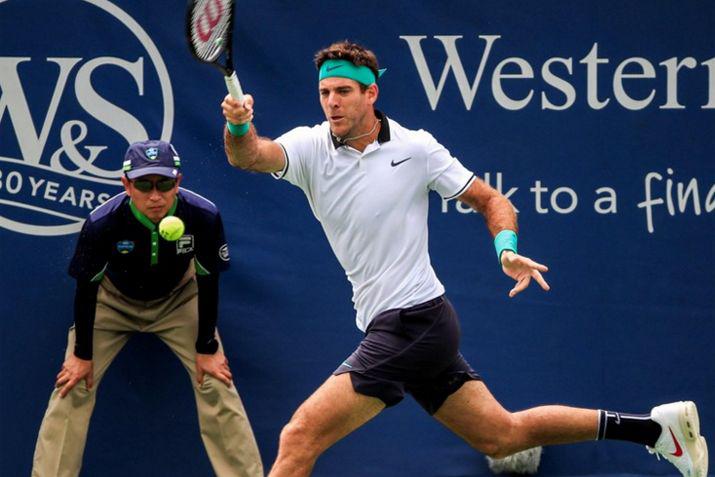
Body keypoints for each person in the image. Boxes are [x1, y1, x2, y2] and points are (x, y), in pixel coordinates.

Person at [220, 41, 708, 477]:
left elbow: (493, 201)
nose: (332, 102)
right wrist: (239, 123)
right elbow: (249, 156)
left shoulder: (417, 149)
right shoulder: (308, 147)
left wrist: (507, 250)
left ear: (371, 94)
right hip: (409, 325)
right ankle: (654, 430)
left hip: (412, 321)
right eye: (325, 92)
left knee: (299, 436)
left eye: (344, 91)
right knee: (502, 436)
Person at [32, 140, 263, 477]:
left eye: (165, 184)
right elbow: (87, 288)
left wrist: (207, 347)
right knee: (72, 385)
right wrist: (82, 355)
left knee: (216, 381)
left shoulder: (203, 216)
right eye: (143, 184)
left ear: (178, 182)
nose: (155, 195)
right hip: (111, 304)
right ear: (127, 185)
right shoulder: (102, 223)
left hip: (180, 302)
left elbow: (209, 278)